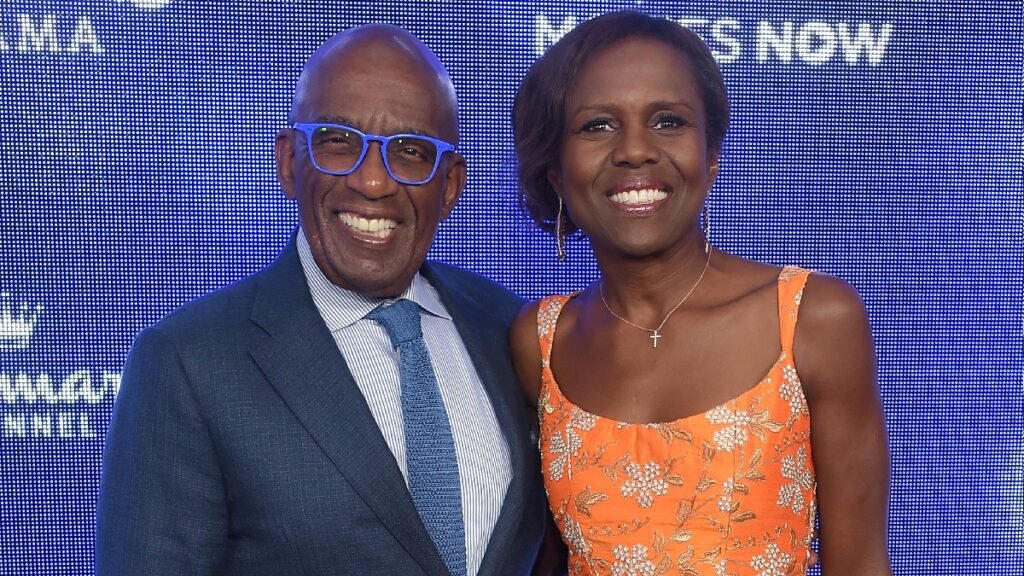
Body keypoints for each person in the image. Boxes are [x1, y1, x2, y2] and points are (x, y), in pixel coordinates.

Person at [97, 24, 548, 576]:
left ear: (450, 185)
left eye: (410, 152)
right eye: (340, 142)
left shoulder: (510, 328)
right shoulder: (188, 361)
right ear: (290, 162)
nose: (374, 182)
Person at [510, 11, 891, 576]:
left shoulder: (811, 318)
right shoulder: (539, 342)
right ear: (556, 175)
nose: (635, 150)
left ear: (710, 156)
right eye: (597, 126)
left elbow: (859, 564)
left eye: (667, 121)